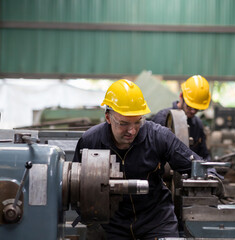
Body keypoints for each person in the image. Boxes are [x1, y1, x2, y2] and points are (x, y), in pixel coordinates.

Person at [73, 79, 201, 239]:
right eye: (124, 123)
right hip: (112, 224)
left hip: (156, 220)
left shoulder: (158, 137)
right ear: (108, 117)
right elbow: (75, 189)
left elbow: (196, 166)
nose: (132, 131)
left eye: (137, 122)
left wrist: (210, 176)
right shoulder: (90, 141)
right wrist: (93, 223)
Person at [152, 75, 211, 160]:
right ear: (181, 96)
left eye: (197, 109)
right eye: (189, 106)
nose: (193, 111)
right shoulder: (162, 119)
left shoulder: (198, 124)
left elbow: (204, 155)